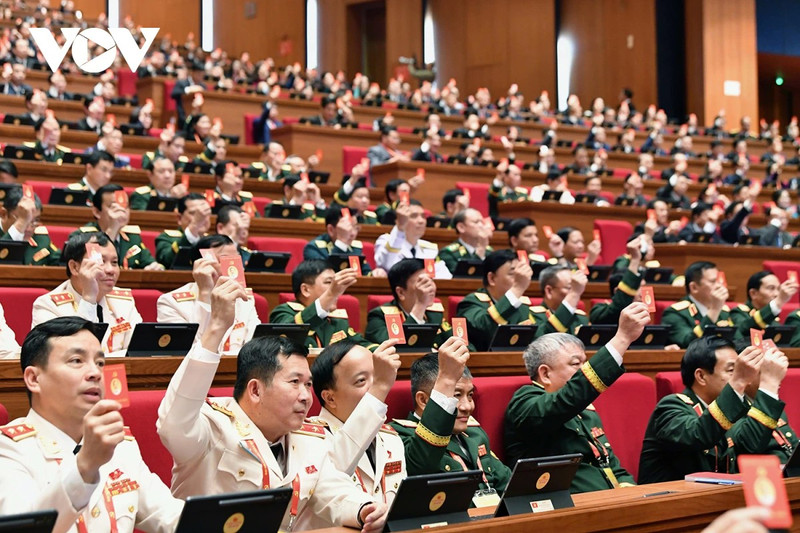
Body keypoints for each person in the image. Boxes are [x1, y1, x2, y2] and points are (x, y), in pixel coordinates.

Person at [157, 282, 388, 531]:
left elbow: (334, 490)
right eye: (295, 383)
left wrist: (364, 508)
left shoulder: (310, 439)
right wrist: (215, 329)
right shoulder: (213, 427)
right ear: (255, 390)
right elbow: (174, 423)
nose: (306, 397)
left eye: (308, 384)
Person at [0, 316, 184, 532]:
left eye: (99, 363)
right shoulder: (10, 449)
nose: (96, 373)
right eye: (76, 361)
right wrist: (85, 465)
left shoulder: (121, 445)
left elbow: (169, 516)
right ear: (33, 379)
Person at [504, 303, 650, 492]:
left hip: (610, 501)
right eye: (576, 364)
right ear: (545, 374)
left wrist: (629, 492)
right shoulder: (525, 402)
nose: (584, 370)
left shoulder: (586, 411)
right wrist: (621, 339)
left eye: (585, 363)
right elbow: (567, 399)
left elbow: (610, 464)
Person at [637, 337, 782, 483]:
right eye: (732, 370)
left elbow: (751, 446)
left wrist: (770, 385)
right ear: (701, 376)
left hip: (717, 498)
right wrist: (738, 381)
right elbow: (699, 434)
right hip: (671, 501)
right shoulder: (670, 406)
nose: (744, 380)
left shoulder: (730, 408)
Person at [391, 339, 511, 494]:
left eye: (470, 395)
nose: (467, 406)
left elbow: (508, 485)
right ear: (424, 401)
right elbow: (421, 468)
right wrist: (446, 380)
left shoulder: (474, 433)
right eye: (456, 395)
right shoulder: (399, 437)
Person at [310, 339, 406, 503]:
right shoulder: (310, 440)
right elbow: (335, 472)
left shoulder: (391, 438)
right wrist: (380, 385)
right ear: (330, 398)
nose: (374, 387)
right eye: (361, 380)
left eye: (376, 376)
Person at [31, 232, 143, 355]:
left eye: (114, 262)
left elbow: (139, 352)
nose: (110, 270)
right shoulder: (48, 306)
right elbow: (70, 356)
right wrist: (89, 298)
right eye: (101, 262)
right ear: (74, 267)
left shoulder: (123, 301)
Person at [157, 235, 260, 355]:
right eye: (227, 260)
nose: (237, 268)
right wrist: (205, 294)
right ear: (203, 264)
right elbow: (194, 353)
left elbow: (256, 349)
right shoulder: (171, 303)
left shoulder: (243, 298)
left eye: (237, 260)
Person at [269, 260, 378, 351]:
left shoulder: (337, 320)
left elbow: (361, 345)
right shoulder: (283, 312)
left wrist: (386, 351)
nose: (338, 290)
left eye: (335, 284)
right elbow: (293, 332)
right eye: (328, 282)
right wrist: (331, 294)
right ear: (306, 290)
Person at [456, 250, 535, 351]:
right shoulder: (470, 303)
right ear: (492, 278)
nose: (519, 279)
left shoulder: (521, 305)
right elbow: (484, 327)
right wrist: (517, 288)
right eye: (512, 274)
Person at [71, 185, 163, 270]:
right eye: (113, 206)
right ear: (97, 212)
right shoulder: (83, 236)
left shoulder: (133, 238)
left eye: (125, 206)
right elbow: (95, 267)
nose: (121, 211)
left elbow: (151, 263)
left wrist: (154, 267)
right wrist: (112, 228)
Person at [365, 259, 452, 346]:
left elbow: (456, 343)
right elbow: (396, 349)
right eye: (422, 282)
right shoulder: (379, 316)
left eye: (430, 280)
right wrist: (420, 305)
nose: (430, 287)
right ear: (401, 292)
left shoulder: (434, 314)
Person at [661, 261, 737, 348]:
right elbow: (689, 344)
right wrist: (714, 311)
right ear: (694, 287)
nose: (720, 286)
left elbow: (738, 341)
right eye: (713, 282)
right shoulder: (674, 313)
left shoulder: (723, 311)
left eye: (719, 281)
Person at [374, 201, 451, 279]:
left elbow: (445, 276)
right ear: (399, 220)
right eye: (414, 216)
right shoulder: (387, 240)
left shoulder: (429, 248)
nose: (421, 221)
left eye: (423, 216)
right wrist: (400, 228)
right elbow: (387, 265)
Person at [303, 207, 379, 276]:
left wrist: (375, 274)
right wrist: (342, 242)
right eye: (347, 228)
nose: (352, 233)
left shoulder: (355, 248)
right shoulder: (313, 248)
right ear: (331, 230)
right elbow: (324, 275)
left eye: (355, 227)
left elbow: (365, 274)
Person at [588, 236, 645, 324]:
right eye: (636, 288)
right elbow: (620, 305)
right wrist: (635, 259)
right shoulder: (598, 311)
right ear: (617, 291)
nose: (642, 294)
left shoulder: (642, 314)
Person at [0, 186, 60, 266]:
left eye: (35, 220)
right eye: (23, 219)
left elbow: (61, 264)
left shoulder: (41, 238)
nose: (29, 229)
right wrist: (21, 224)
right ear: (3, 214)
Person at [729, 271, 798, 336]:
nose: (776, 294)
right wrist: (779, 301)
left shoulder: (773, 316)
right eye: (771, 288)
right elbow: (744, 331)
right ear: (753, 293)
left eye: (778, 289)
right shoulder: (738, 312)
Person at [154, 193, 212, 268]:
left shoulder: (213, 240)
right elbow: (166, 261)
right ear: (179, 218)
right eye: (194, 213)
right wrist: (194, 226)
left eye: (205, 213)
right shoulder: (166, 238)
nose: (202, 218)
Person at [530, 265, 589, 335]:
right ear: (549, 291)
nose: (578, 293)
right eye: (570, 288)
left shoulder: (581, 318)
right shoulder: (533, 316)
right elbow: (546, 338)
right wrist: (574, 293)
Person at [437, 208, 492, 275]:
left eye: (482, 222)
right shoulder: (448, 253)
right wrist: (481, 250)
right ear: (461, 227)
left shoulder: (489, 251)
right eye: (476, 222)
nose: (481, 226)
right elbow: (461, 280)